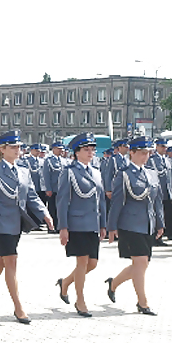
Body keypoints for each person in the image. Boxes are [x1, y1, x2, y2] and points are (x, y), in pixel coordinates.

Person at [0, 130, 54, 324]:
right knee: (11, 261)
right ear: (3, 149)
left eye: (19, 146)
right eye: (14, 147)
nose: (18, 150)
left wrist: (45, 213)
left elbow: (32, 196)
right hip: (1, 223)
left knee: (1, 261)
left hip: (16, 223)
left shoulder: (24, 170)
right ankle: (18, 307)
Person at [105, 136, 163, 316]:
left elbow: (157, 201)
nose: (146, 157)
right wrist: (112, 227)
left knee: (142, 265)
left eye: (148, 153)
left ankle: (113, 283)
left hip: (148, 224)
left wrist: (160, 223)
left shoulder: (152, 173)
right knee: (140, 262)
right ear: (132, 153)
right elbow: (117, 202)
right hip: (130, 224)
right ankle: (142, 303)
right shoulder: (123, 174)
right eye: (142, 153)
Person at [54, 133, 106, 317]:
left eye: (92, 149)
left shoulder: (96, 172)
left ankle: (66, 282)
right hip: (76, 224)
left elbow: (101, 201)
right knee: (82, 262)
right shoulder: (69, 172)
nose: (91, 152)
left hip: (93, 223)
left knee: (92, 263)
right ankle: (80, 300)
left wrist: (103, 224)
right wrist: (63, 227)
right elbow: (62, 202)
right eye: (86, 149)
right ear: (76, 152)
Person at [43, 141, 67, 233]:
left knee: (61, 208)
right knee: (52, 208)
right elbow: (46, 175)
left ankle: (59, 226)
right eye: (59, 149)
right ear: (54, 149)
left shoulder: (64, 160)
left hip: (62, 188)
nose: (61, 151)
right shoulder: (48, 160)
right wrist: (48, 188)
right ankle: (51, 227)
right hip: (53, 188)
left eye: (62, 149)